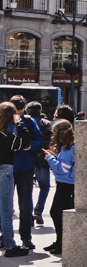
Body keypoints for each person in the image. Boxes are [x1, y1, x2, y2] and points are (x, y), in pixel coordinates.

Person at [8, 96, 42, 251]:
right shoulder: (4, 120)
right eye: (16, 113)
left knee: (25, 206)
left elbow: (40, 142)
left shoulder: (29, 121)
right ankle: (5, 236)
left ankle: (25, 238)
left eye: (20, 113)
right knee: (5, 205)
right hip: (7, 167)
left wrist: (29, 146)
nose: (18, 117)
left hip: (25, 168)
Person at [0, 102, 30, 257]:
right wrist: (19, 124)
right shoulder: (6, 136)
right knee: (5, 210)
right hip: (4, 171)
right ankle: (10, 246)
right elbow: (25, 144)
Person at [41, 120, 75, 255]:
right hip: (65, 184)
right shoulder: (66, 147)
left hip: (66, 184)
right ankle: (59, 241)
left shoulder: (68, 148)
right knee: (57, 213)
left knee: (57, 213)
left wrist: (50, 158)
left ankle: (61, 243)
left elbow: (62, 169)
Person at [27, 102, 52, 228]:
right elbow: (50, 141)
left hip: (28, 159)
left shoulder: (26, 122)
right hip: (42, 159)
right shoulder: (46, 123)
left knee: (27, 188)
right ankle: (38, 211)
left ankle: (29, 216)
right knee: (44, 186)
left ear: (28, 111)